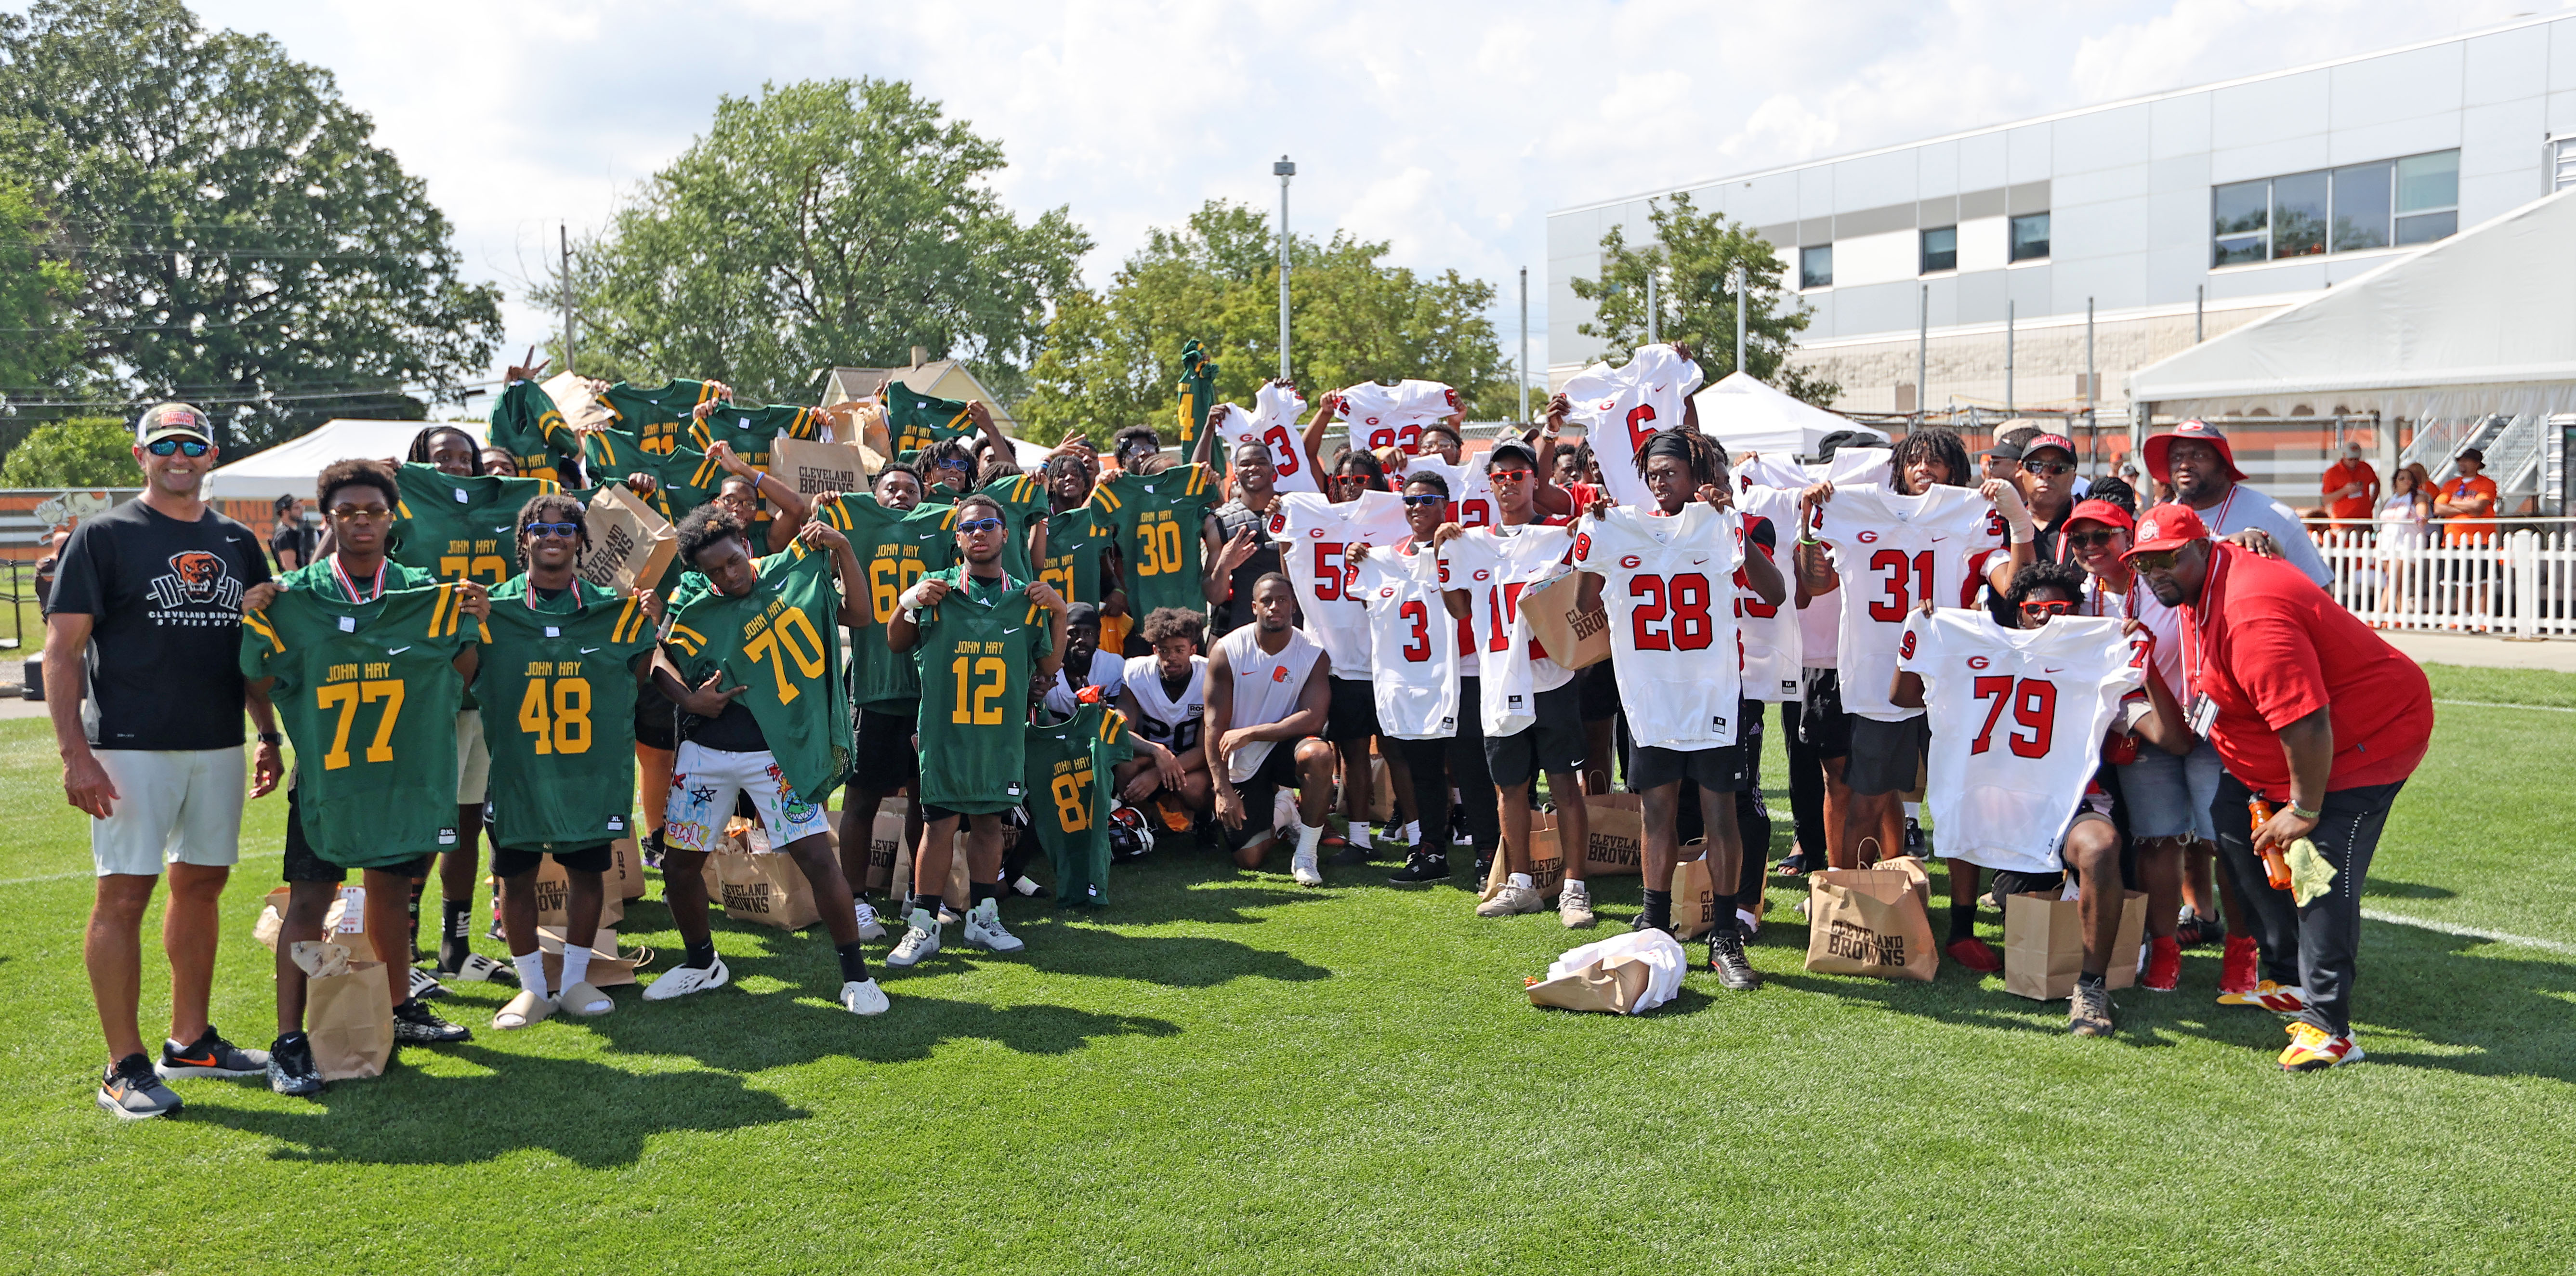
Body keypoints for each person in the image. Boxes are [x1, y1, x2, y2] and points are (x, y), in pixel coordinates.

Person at [2126, 503, 2433, 1069]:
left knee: (2316, 869)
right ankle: (2287, 974)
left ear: (2199, 550)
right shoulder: (2212, 570)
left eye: (2167, 557)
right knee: (2235, 835)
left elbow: (2306, 721)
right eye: (2143, 563)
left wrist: (2302, 806)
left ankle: (2328, 1026)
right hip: (2269, 755)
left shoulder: (2250, 614)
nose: (2154, 572)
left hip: (2361, 745)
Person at [48, 403, 283, 1118]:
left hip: (217, 742)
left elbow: (254, 647)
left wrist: (267, 733)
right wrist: (74, 756)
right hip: (128, 747)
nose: (179, 457)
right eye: (164, 446)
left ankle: (191, 1040)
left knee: (204, 885)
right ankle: (123, 1065)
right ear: (139, 455)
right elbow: (63, 651)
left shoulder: (240, 540)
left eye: (192, 445)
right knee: (123, 895)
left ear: (213, 454)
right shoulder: (104, 536)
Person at [241, 458, 490, 1095]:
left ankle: (400, 1006)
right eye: (348, 511)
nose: (361, 521)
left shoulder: (420, 590)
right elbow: (260, 674)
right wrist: (258, 615)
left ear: (391, 517)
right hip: (328, 780)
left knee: (391, 891)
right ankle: (289, 1040)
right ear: (328, 519)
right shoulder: (295, 598)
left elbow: (461, 674)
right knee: (308, 901)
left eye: (373, 511)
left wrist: (474, 619)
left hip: (397, 775)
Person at [1895, 562, 2188, 1035]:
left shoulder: (2094, 659)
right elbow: (1903, 696)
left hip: (2064, 810)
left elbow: (2173, 740)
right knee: (1971, 805)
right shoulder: (1976, 647)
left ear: (2076, 611)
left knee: (2099, 847)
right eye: (2036, 608)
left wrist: (2144, 664)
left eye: (2060, 608)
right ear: (2017, 612)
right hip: (1998, 809)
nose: (2048, 617)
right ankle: (1962, 932)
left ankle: (2090, 987)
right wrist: (1919, 633)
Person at [1797, 425, 2023, 970]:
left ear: (1954, 473)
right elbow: (1816, 585)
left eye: (1937, 461)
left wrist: (2015, 520)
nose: (1925, 468)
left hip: (1949, 678)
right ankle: (1849, 908)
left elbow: (2012, 583)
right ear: (1898, 466)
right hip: (1879, 677)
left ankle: (1963, 923)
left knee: (1960, 803)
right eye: (1915, 459)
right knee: (1866, 796)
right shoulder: (1854, 509)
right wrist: (1807, 527)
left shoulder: (1961, 515)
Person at [651, 504, 887, 1015]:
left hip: (778, 754)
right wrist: (688, 700)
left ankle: (856, 977)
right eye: (714, 571)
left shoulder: (794, 571)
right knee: (679, 865)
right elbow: (657, 656)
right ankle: (701, 963)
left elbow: (861, 616)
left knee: (818, 860)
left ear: (748, 548)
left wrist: (844, 548)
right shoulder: (693, 603)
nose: (728, 576)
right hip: (707, 750)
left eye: (733, 562)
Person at [1572, 429, 1786, 986]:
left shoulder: (1719, 523)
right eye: (1652, 474)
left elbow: (1775, 593)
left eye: (1669, 472)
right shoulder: (1618, 526)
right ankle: (1653, 921)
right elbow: (1581, 604)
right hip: (1650, 696)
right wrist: (1593, 534)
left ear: (1696, 475)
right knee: (1656, 813)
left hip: (1712, 692)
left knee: (1721, 816)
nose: (1658, 482)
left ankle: (1724, 936)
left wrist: (1734, 522)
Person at [474, 494, 659, 1028]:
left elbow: (635, 679)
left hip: (586, 769)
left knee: (587, 873)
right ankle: (532, 986)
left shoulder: (609, 609)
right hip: (519, 769)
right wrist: (471, 624)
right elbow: (466, 675)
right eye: (539, 528)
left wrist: (650, 623)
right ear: (523, 541)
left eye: (564, 528)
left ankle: (575, 978)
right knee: (516, 876)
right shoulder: (496, 608)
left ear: (581, 540)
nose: (551, 536)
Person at [391, 424, 561, 993]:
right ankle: (403, 949)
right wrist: (389, 481)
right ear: (419, 462)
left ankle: (454, 944)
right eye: (444, 459)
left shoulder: (511, 507)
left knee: (467, 821)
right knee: (419, 823)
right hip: (428, 688)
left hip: (487, 686)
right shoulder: (402, 507)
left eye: (467, 458)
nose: (460, 468)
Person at [883, 492, 1071, 963]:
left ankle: (983, 918)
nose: (978, 534)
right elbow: (896, 642)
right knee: (939, 826)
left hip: (998, 737)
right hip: (946, 736)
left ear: (1005, 534)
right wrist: (907, 602)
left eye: (987, 525)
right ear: (957, 538)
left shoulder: (1025, 600)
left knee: (990, 824)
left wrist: (1061, 613)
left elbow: (1049, 663)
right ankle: (923, 924)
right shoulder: (938, 590)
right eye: (969, 528)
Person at [2063, 498, 2220, 993]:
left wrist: (2252, 535)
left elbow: (2216, 559)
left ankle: (2242, 953)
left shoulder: (2160, 580)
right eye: (2080, 539)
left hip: (2204, 720)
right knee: (2157, 839)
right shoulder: (2079, 593)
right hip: (2132, 725)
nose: (2090, 548)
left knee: (2222, 842)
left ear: (2128, 539)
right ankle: (2164, 949)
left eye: (2101, 537)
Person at [1439, 439, 1594, 925]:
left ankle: (1574, 887)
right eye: (1499, 477)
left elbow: (1586, 590)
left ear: (1534, 481)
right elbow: (1461, 610)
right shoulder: (1471, 541)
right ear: (1489, 483)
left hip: (1549, 675)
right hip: (1499, 676)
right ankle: (1520, 884)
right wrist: (1447, 560)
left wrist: (1579, 540)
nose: (1508, 484)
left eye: (1518, 476)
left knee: (1564, 784)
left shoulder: (1556, 534)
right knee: (1510, 786)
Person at [816, 462, 951, 938]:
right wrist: (825, 517)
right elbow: (816, 562)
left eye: (910, 489)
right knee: (861, 799)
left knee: (924, 801)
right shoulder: (851, 526)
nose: (900, 495)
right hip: (873, 687)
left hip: (926, 691)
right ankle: (855, 899)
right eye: (890, 488)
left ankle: (919, 894)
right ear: (873, 496)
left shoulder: (944, 525)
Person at [1348, 471, 1488, 885]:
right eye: (1409, 501)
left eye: (1427, 500)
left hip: (1462, 669)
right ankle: (1430, 849)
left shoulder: (1464, 544)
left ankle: (1487, 851)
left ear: (1445, 503)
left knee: (1470, 765)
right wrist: (1360, 558)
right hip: (1415, 677)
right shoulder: (1386, 557)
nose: (1416, 508)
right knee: (1423, 766)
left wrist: (1454, 546)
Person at [1271, 455, 1410, 865]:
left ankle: (1421, 833)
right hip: (1334, 657)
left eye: (1361, 478)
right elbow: (1292, 572)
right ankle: (1361, 836)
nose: (1351, 485)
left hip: (1386, 654)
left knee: (1398, 748)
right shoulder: (1310, 514)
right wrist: (1284, 529)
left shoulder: (1396, 514)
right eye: (1344, 478)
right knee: (1351, 750)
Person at [1201, 574, 1339, 882]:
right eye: (1267, 601)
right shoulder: (1227, 650)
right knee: (1249, 859)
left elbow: (1314, 718)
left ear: (1293, 606)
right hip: (1243, 760)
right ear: (1254, 607)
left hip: (1284, 748)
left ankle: (1306, 855)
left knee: (1319, 754)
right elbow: (1213, 726)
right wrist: (1222, 790)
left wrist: (1252, 732)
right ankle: (1285, 812)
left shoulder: (1313, 653)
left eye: (1282, 600)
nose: (1275, 607)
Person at [2142, 420, 2333, 589]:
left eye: (2199, 456)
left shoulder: (2276, 516)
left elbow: (2320, 594)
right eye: (2177, 457)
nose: (2185, 465)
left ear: (2224, 465)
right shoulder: (2160, 522)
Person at [1112, 606, 1214, 826]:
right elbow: (1121, 730)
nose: (1171, 658)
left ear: (1193, 649)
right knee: (1126, 766)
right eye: (1164, 650)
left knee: (1194, 788)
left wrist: (1158, 774)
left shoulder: (1209, 675)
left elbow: (1207, 747)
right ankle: (1141, 824)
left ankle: (1204, 822)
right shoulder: (1137, 672)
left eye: (1179, 650)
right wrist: (1157, 752)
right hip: (1149, 755)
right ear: (1154, 650)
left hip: (1191, 760)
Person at [2432, 447, 2499, 620]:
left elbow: (2479, 507)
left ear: (2477, 464)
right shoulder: (2450, 485)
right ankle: (2463, 615)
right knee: (2459, 581)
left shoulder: (2487, 484)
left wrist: (2453, 504)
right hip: (2454, 539)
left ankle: (2482, 616)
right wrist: (2465, 506)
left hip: (2481, 538)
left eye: (2467, 461)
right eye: (2460, 461)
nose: (2462, 464)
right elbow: (2438, 508)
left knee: (2482, 580)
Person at [1043, 603, 1127, 716]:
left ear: (1098, 635)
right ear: (1060, 635)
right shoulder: (1045, 667)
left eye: (1088, 633)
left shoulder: (1114, 666)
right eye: (1073, 633)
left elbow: (1120, 723)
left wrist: (1099, 713)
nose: (1081, 640)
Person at [2374, 464, 2433, 618]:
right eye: (2402, 478)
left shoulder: (2418, 497)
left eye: (2409, 479)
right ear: (2395, 483)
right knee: (2396, 583)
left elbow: (2422, 513)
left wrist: (2422, 517)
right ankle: (2402, 615)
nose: (2406, 481)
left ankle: (2379, 615)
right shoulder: (2389, 500)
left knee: (2391, 580)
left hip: (2405, 544)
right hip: (2388, 544)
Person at [2321, 441, 2379, 526]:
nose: (2353, 463)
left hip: (2364, 520)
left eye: (2356, 459)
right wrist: (2345, 491)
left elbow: (2376, 483)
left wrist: (2372, 502)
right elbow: (2326, 500)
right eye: (2350, 459)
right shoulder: (2332, 473)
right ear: (2344, 456)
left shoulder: (2365, 467)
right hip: (2342, 522)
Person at [268, 495, 315, 571]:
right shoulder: (285, 534)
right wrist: (301, 582)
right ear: (285, 512)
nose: (301, 511)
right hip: (295, 581)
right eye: (296, 508)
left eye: (302, 507)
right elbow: (289, 565)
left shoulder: (293, 532)